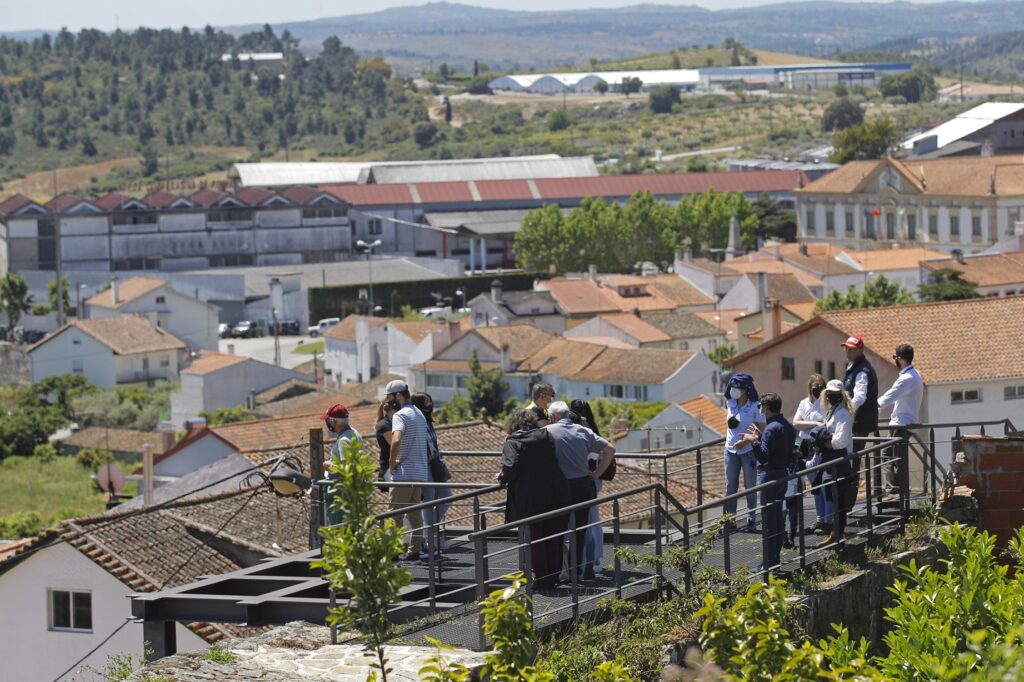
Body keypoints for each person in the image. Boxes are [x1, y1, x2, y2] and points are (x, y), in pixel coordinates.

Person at [498, 409, 571, 589]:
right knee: (554, 538)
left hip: (531, 498)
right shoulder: (545, 436)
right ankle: (554, 577)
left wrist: (501, 477)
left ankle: (542, 579)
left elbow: (510, 465)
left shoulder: (513, 442)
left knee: (536, 540)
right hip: (556, 492)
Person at [545, 400, 615, 581]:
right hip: (583, 486)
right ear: (567, 414)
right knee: (581, 531)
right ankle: (577, 572)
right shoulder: (584, 431)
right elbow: (610, 450)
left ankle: (559, 572)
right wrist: (597, 473)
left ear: (552, 417)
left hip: (558, 488)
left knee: (558, 530)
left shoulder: (547, 432)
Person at [739, 392, 796, 572]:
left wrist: (753, 441)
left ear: (767, 407)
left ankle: (769, 563)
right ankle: (775, 559)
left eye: (761, 407)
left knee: (769, 521)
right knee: (777, 519)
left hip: (769, 477)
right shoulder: (786, 425)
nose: (760, 410)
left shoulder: (772, 429)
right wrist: (761, 437)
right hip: (782, 475)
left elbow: (763, 457)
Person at [385, 379, 431, 561]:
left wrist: (392, 463)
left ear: (398, 395)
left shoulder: (400, 415)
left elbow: (396, 440)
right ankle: (415, 550)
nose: (388, 402)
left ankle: (392, 552)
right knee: (414, 514)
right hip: (420, 473)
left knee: (393, 513)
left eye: (389, 397)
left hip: (404, 473)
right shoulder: (419, 413)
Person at [811, 379, 854, 547]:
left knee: (838, 500)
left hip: (838, 460)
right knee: (834, 498)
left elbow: (840, 442)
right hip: (830, 460)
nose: (831, 397)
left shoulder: (842, 413)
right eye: (829, 394)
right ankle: (835, 534)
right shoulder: (832, 411)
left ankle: (838, 535)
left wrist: (824, 442)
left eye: (835, 395)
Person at [877, 344, 923, 497]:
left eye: (895, 357)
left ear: (901, 359)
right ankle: (899, 490)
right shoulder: (915, 374)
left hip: (901, 423)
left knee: (890, 456)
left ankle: (895, 491)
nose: (895, 360)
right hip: (907, 421)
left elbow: (889, 396)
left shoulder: (906, 379)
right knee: (896, 457)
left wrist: (873, 406)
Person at [723, 372, 766, 530]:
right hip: (730, 451)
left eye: (737, 387)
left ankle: (751, 519)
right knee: (730, 488)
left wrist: (747, 440)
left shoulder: (756, 407)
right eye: (733, 386)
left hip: (748, 452)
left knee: (750, 487)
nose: (734, 389)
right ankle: (730, 520)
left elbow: (762, 431)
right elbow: (727, 391)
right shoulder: (730, 403)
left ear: (746, 389)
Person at [412, 392, 452, 555]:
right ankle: (429, 540)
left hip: (435, 464)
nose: (430, 406)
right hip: (425, 466)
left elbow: (433, 444)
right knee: (428, 502)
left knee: (447, 497)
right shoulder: (417, 422)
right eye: (426, 403)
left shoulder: (428, 422)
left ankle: (429, 533)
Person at [792, 374, 831, 537]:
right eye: (814, 386)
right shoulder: (804, 403)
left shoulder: (826, 403)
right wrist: (814, 424)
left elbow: (826, 425)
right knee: (813, 484)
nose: (816, 389)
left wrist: (809, 425)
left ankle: (827, 520)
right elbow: (796, 423)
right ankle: (819, 518)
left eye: (819, 386)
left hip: (818, 446)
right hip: (805, 445)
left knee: (822, 483)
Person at [841, 335, 878, 496]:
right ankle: (847, 501)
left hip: (858, 424)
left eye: (852, 349)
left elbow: (860, 397)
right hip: (855, 423)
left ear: (860, 350)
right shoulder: (855, 367)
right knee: (850, 462)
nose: (848, 352)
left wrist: (846, 413)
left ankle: (848, 502)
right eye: (846, 348)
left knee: (852, 463)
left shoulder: (862, 370)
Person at [571, 399, 605, 576]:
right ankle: (595, 559)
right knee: (594, 520)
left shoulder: (580, 429)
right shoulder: (592, 427)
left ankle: (587, 561)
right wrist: (598, 473)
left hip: (584, 479)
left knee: (584, 523)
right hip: (594, 478)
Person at [322, 403, 363, 526]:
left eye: (328, 420)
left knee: (338, 528)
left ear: (333, 421)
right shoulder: (354, 433)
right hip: (349, 492)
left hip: (341, 495)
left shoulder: (344, 440)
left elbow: (347, 470)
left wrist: (328, 465)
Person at [375, 400, 396, 486]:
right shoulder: (384, 425)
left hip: (391, 466)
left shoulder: (390, 423)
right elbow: (394, 444)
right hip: (388, 467)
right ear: (392, 410)